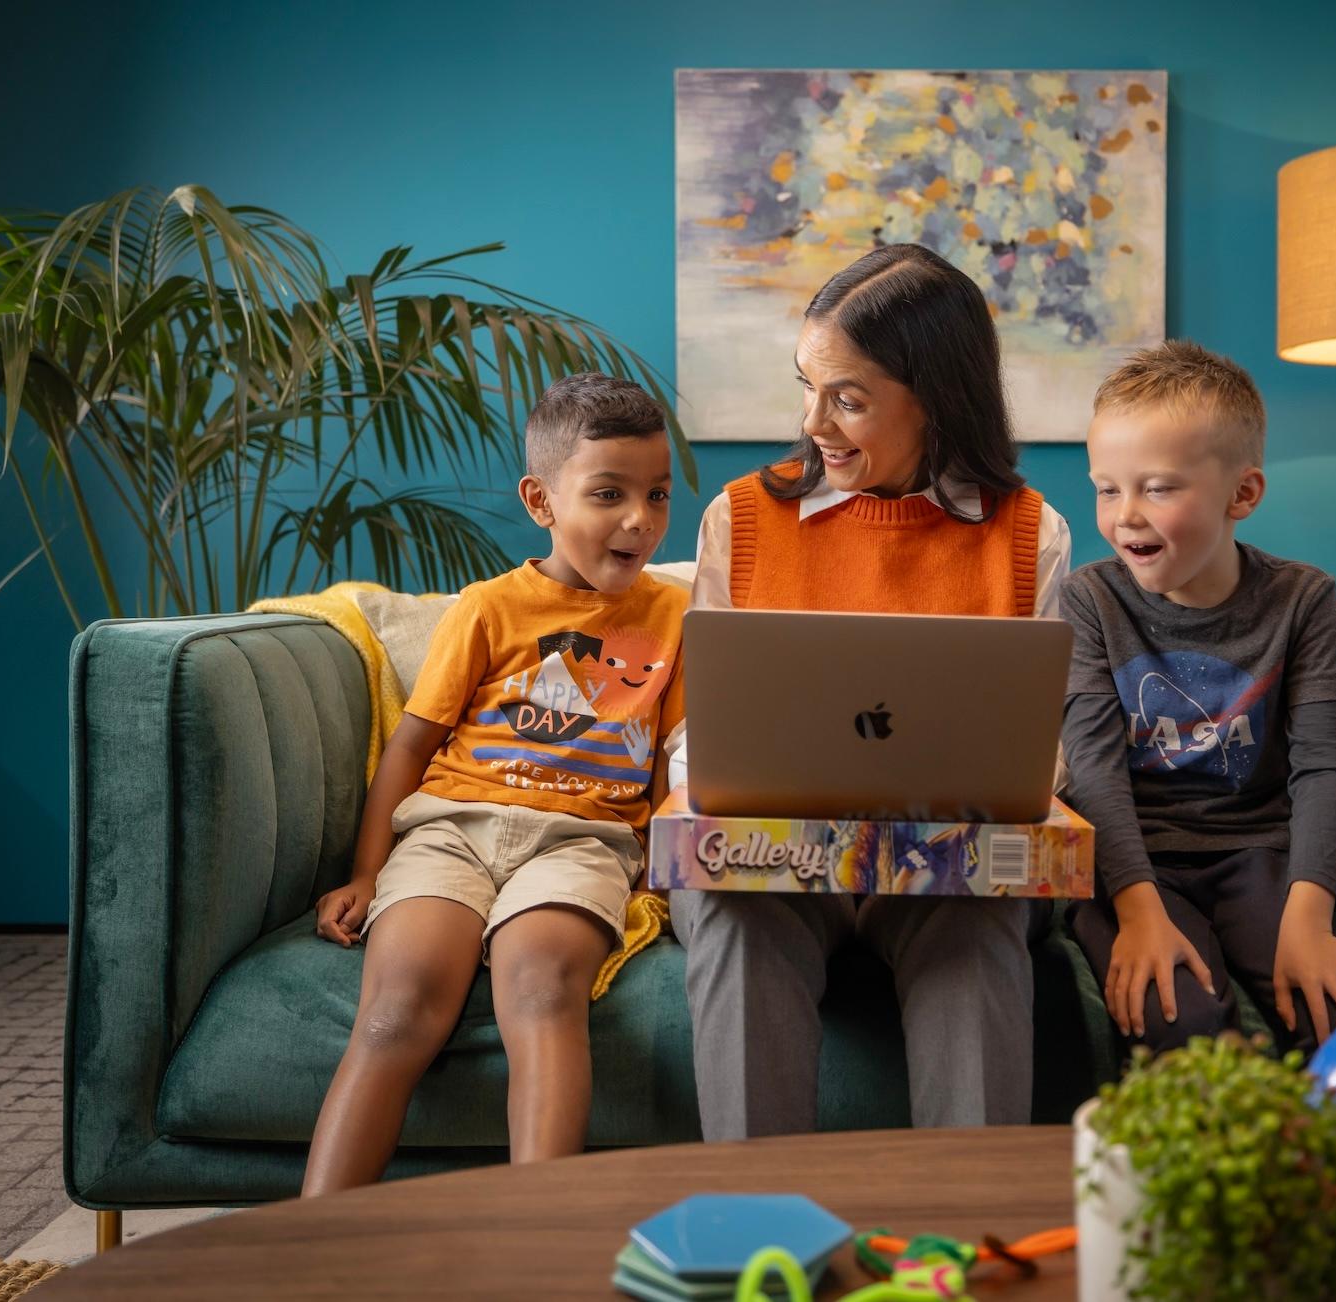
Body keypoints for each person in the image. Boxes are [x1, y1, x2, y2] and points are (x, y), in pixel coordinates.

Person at [669, 243, 1072, 1139]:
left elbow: (1043, 751)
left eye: (848, 399)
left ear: (937, 399)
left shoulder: (1029, 533)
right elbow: (700, 732)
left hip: (948, 871)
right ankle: (757, 1246)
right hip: (770, 868)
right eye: (807, 386)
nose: (814, 420)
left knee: (976, 938)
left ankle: (968, 1255)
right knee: (736, 919)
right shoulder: (739, 517)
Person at [301, 373, 686, 1194]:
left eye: (657, 496)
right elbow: (408, 750)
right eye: (609, 494)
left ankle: (532, 1241)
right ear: (541, 500)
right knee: (398, 1010)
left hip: (583, 842)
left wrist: (662, 874)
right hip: (451, 828)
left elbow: (671, 766)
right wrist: (368, 872)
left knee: (544, 991)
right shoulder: (485, 608)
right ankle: (311, 1243)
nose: (639, 521)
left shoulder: (678, 618)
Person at [1059, 340, 1336, 1057]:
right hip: (1134, 864)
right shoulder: (1090, 598)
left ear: (1242, 494)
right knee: (1178, 1020)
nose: (1125, 516)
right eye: (1107, 489)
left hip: (1260, 857)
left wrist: (1309, 919)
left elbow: (1327, 765)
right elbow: (1093, 770)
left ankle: (1328, 1165)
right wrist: (1138, 910)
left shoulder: (1303, 599)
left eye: (1158, 487)